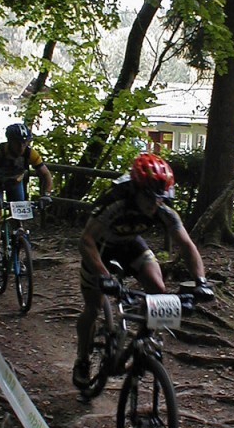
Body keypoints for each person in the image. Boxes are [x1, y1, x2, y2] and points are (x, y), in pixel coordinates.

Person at [72, 152, 214, 389]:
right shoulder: (116, 201)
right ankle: (82, 359)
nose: (153, 204)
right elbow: (86, 241)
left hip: (129, 243)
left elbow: (187, 245)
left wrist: (201, 281)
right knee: (93, 306)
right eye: (148, 197)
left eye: (159, 198)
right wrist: (105, 277)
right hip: (100, 248)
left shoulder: (162, 207)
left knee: (158, 288)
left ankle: (144, 340)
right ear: (136, 189)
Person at [0, 123, 53, 269]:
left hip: (14, 181)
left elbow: (46, 175)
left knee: (19, 218)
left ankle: (16, 257)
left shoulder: (31, 154)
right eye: (17, 143)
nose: (21, 147)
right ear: (9, 141)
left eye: (24, 143)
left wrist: (46, 194)